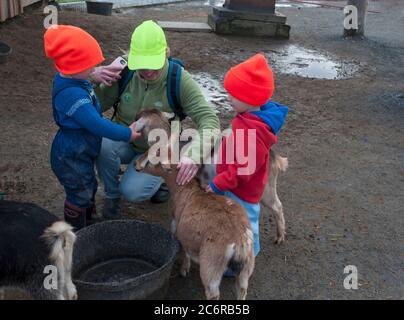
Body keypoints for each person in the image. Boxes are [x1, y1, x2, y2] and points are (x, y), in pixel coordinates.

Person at [90, 20, 220, 219]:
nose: (148, 71)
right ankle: (111, 196)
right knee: (102, 144)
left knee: (133, 192)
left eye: (154, 64)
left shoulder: (178, 79)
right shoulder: (124, 71)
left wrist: (193, 155)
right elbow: (93, 107)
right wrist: (93, 78)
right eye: (142, 65)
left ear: (166, 53)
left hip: (161, 150)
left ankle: (162, 181)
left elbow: (209, 120)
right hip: (125, 138)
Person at [44, 25, 140, 230]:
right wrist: (127, 133)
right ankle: (77, 229)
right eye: (90, 65)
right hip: (70, 152)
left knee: (88, 183)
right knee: (79, 191)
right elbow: (98, 124)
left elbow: (83, 78)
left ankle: (89, 219)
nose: (95, 68)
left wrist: (94, 74)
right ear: (74, 67)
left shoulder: (71, 79)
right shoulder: (72, 96)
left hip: (82, 148)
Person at [205, 53, 289, 274]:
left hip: (241, 189)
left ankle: (242, 263)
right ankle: (249, 251)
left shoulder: (250, 130)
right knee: (245, 222)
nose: (228, 98)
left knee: (245, 224)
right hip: (242, 187)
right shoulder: (253, 119)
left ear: (250, 98)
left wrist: (217, 183)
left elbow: (242, 170)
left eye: (234, 95)